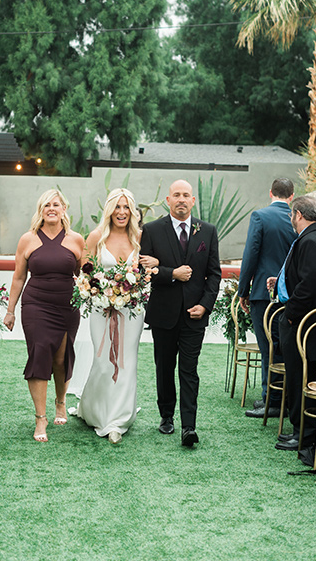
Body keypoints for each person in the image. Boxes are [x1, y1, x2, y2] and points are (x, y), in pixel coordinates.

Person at [140, 179, 221, 446]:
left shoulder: (207, 231)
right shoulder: (151, 230)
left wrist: (206, 305)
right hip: (163, 314)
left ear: (193, 201)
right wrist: (170, 273)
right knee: (164, 367)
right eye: (177, 195)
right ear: (168, 200)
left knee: (189, 370)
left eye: (186, 195)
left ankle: (189, 426)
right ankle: (166, 416)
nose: (181, 199)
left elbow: (214, 274)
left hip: (194, 315)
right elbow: (144, 272)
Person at [3, 190, 84, 442]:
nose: (51, 208)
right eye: (46, 205)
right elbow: (18, 277)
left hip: (67, 307)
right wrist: (10, 310)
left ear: (63, 209)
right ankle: (41, 418)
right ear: (40, 210)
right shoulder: (27, 239)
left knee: (60, 359)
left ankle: (60, 402)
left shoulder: (76, 240)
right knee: (39, 355)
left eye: (56, 204)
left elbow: (83, 275)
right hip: (36, 305)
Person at [267, 195, 316, 450]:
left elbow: (310, 284)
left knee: (299, 376)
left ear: (298, 214)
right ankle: (302, 430)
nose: (291, 220)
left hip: (305, 323)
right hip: (308, 321)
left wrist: (291, 313)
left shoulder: (312, 240)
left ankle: (304, 434)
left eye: (291, 215)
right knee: (300, 376)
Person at [76, 189, 144, 445]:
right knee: (104, 360)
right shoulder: (96, 237)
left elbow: (150, 265)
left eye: (126, 207)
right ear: (109, 210)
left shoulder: (139, 237)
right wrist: (98, 290)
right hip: (101, 310)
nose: (122, 212)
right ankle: (95, 410)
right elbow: (85, 271)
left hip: (131, 311)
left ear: (132, 211)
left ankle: (118, 420)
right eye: (117, 207)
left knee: (127, 362)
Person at [238, 178, 296, 418]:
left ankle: (270, 400)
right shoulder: (297, 219)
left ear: (270, 193)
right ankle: (281, 398)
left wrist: (243, 290)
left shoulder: (260, 217)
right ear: (292, 196)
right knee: (284, 347)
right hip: (291, 294)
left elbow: (251, 253)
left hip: (264, 293)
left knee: (267, 347)